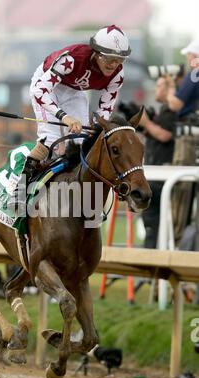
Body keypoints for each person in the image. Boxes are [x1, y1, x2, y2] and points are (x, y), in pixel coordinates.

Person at [9, 25, 131, 205]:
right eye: (110, 59)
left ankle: (72, 193)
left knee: (81, 142)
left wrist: (96, 129)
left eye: (119, 60)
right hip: (46, 87)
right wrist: (64, 117)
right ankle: (18, 190)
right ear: (97, 53)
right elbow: (40, 91)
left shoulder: (117, 75)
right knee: (50, 139)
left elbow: (105, 110)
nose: (114, 65)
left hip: (74, 92)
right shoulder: (72, 59)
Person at [167, 40, 199, 245]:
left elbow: (175, 104)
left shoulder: (195, 74)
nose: (188, 60)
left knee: (181, 188)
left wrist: (171, 89)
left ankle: (176, 243)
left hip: (190, 139)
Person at [139, 75, 176, 249]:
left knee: (156, 222)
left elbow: (165, 135)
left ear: (170, 89)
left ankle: (151, 266)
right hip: (154, 175)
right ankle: (149, 264)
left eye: (160, 86)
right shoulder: (163, 111)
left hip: (164, 177)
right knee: (151, 222)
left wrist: (146, 122)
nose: (156, 89)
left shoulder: (173, 113)